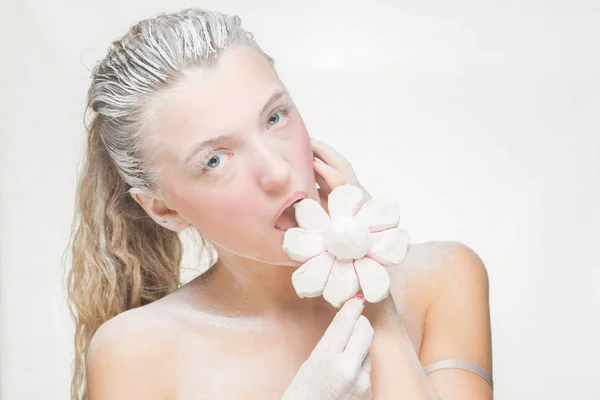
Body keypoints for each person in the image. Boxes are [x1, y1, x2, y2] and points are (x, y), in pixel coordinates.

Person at [66, 8, 493, 400]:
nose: (277, 170)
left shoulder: (444, 278)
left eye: (274, 117)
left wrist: (373, 295)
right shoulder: (135, 353)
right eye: (214, 160)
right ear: (164, 210)